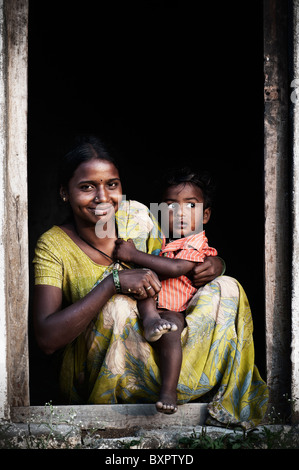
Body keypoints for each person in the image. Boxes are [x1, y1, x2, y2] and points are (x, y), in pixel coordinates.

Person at [32, 135, 269, 430]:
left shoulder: (139, 215)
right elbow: (46, 340)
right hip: (102, 369)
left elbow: (184, 242)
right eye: (86, 187)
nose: (103, 198)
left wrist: (217, 264)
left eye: (112, 184)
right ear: (64, 193)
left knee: (228, 287)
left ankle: (189, 389)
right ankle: (118, 405)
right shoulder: (53, 245)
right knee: (117, 306)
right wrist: (112, 283)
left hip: (165, 346)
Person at [113, 168, 218, 413]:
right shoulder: (161, 242)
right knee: (142, 284)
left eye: (191, 206)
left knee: (171, 331)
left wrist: (134, 254)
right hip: (153, 301)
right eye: (171, 206)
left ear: (206, 215)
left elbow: (175, 268)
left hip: (174, 308)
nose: (180, 213)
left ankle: (169, 391)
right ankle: (150, 321)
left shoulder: (196, 243)